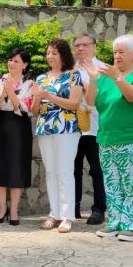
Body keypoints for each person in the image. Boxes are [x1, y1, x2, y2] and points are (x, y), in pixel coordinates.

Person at [83, 35, 133, 242]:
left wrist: (117, 78)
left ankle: (129, 225)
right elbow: (90, 101)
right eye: (115, 52)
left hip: (132, 137)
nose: (117, 56)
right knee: (112, 182)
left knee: (131, 183)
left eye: (122, 52)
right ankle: (114, 222)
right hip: (106, 137)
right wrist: (94, 79)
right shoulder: (105, 76)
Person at [31, 38, 83, 233]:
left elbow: (74, 103)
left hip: (67, 128)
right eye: (48, 53)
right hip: (45, 128)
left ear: (63, 54)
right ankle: (54, 214)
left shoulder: (73, 76)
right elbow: (35, 110)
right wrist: (37, 98)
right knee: (51, 172)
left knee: (65, 171)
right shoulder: (41, 78)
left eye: (54, 53)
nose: (49, 56)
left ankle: (67, 216)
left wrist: (49, 96)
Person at [0, 48, 35, 225]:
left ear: (25, 65)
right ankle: (1, 209)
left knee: (16, 168)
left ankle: (13, 210)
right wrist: (2, 95)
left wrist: (11, 93)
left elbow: (24, 109)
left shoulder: (29, 85)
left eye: (16, 61)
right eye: (10, 60)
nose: (11, 64)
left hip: (18, 127)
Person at [72, 33, 106, 225]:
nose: (80, 49)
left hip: (96, 127)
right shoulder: (70, 69)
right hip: (74, 127)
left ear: (94, 46)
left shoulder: (102, 68)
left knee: (97, 170)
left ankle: (99, 209)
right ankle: (74, 207)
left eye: (85, 45)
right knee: (73, 170)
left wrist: (87, 86)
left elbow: (103, 96)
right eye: (77, 45)